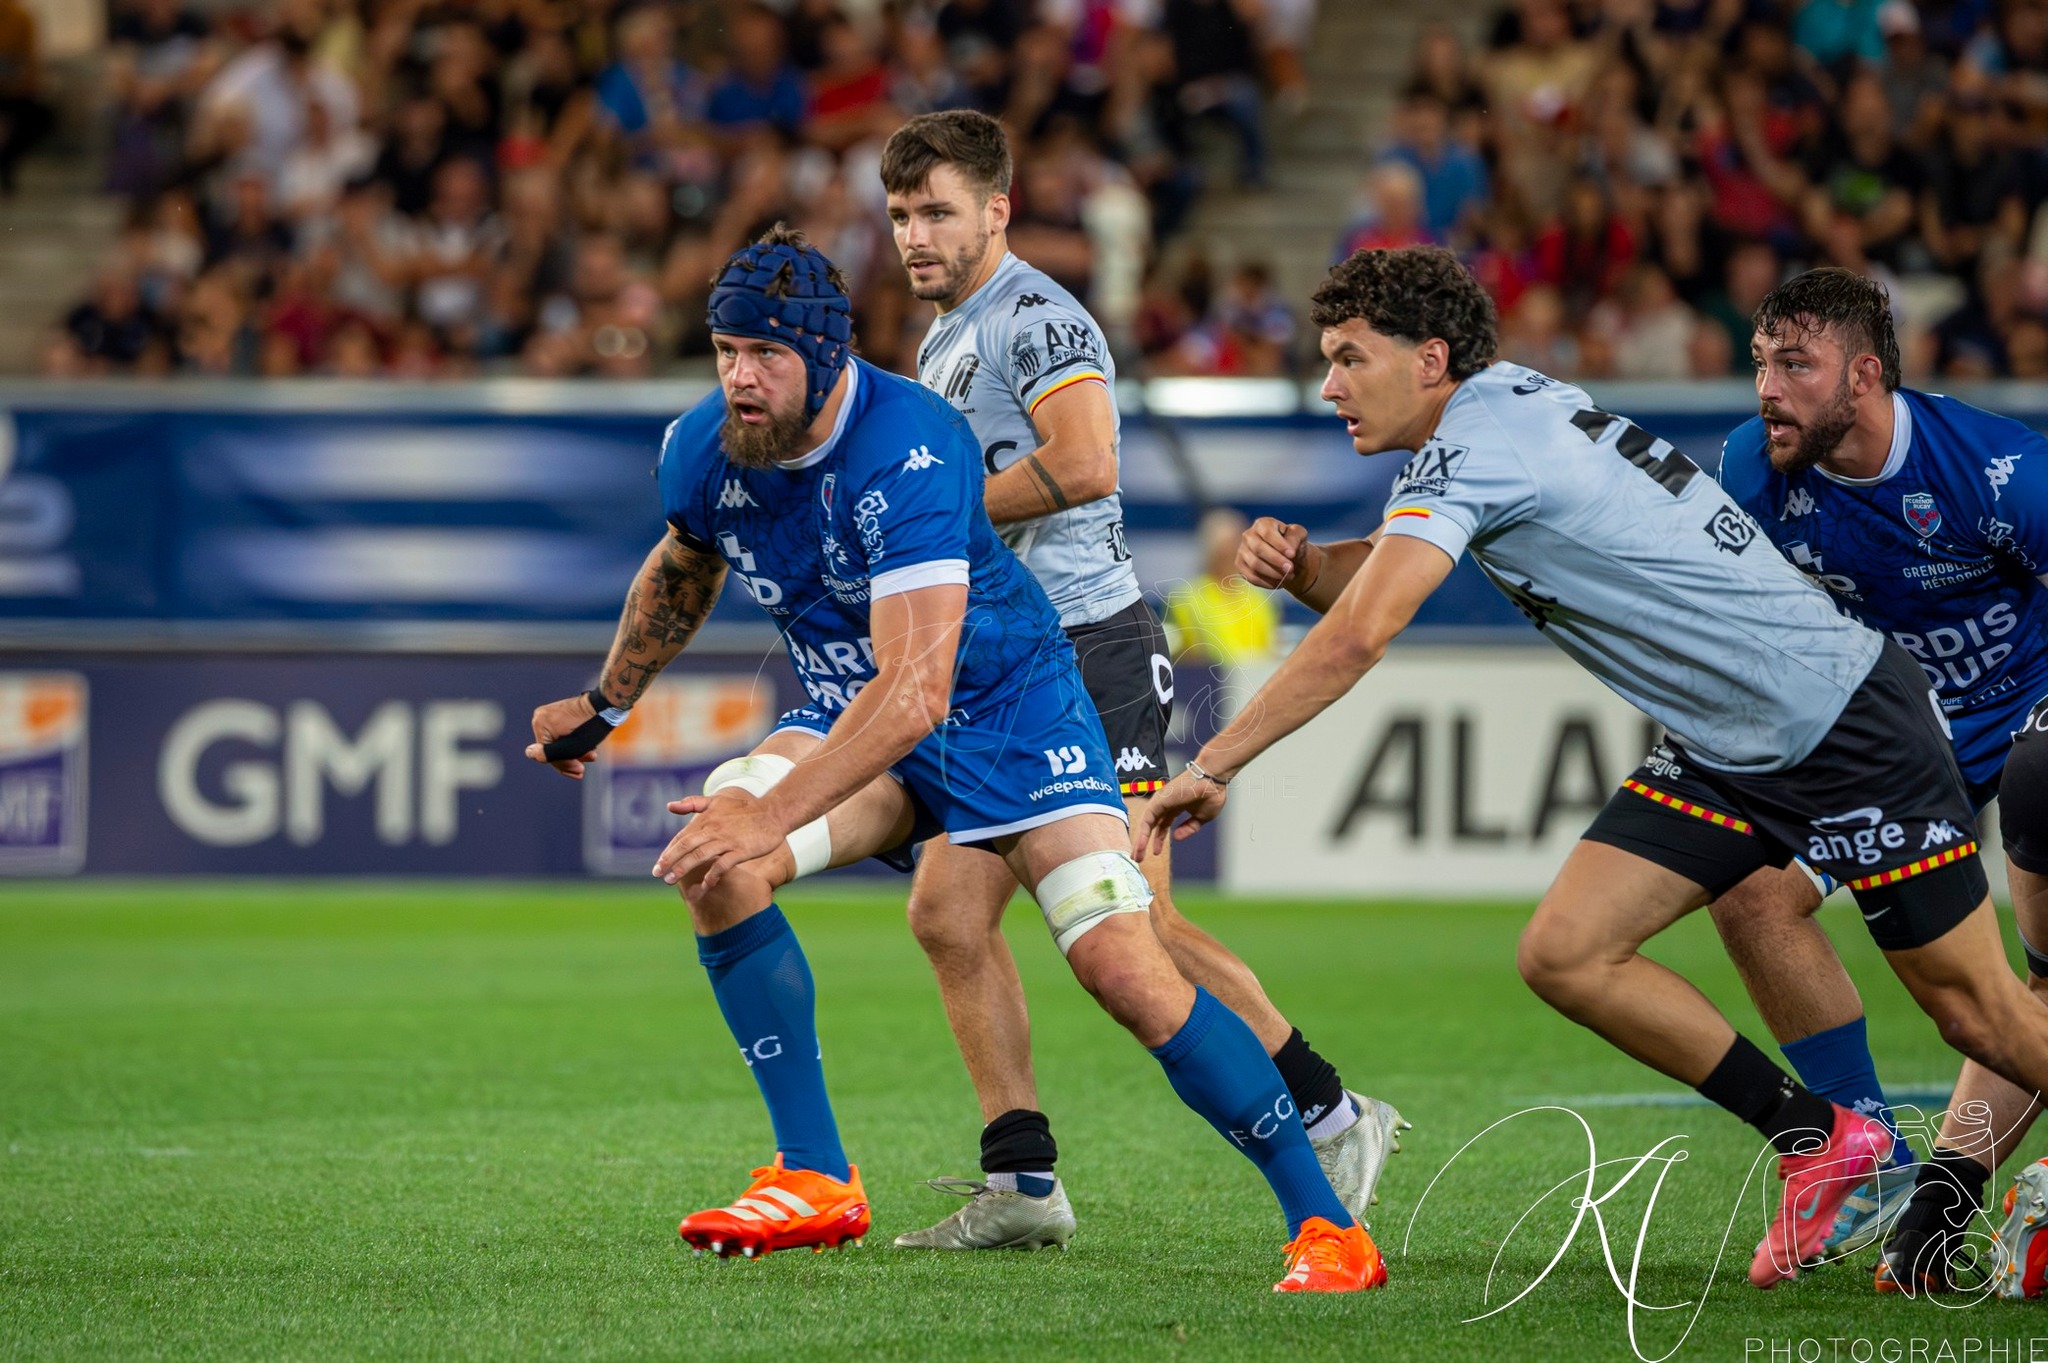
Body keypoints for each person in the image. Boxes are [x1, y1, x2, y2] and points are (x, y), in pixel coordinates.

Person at [1139, 244, 2048, 1290]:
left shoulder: (1480, 442)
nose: (1329, 385)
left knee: (1976, 1013)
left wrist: (1215, 760)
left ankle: (1868, 1154)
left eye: (1349, 358)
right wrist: (1305, 565)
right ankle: (1825, 1142)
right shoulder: (1500, 410)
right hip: (1727, 744)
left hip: (1839, 724)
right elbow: (1374, 578)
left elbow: (1360, 634)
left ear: (1429, 359)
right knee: (1567, 951)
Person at [525, 226, 1383, 1294]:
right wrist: (606, 703)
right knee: (720, 857)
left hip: (1008, 708)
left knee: (1121, 961)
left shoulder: (910, 446)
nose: (740, 377)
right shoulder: (703, 445)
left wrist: (771, 810)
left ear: (825, 356)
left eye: (766, 355)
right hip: (863, 709)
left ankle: (1325, 1227)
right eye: (726, 350)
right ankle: (815, 1174)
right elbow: (685, 562)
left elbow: (918, 692)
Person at [876, 109, 1403, 1252]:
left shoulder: (1034, 316)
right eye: (901, 214)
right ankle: (1021, 1181)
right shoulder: (944, 338)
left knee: (1136, 922)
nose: (914, 234)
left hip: (1087, 649)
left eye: (937, 212)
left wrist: (936, 514)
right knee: (947, 912)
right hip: (1008, 665)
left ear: (996, 211)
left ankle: (1330, 1112)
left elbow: (1084, 462)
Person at [1708, 267, 2048, 1294]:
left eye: (1793, 364)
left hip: (2032, 708)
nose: (1766, 388)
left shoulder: (1998, 471)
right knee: (1748, 888)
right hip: (1900, 731)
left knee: (2032, 963)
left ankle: (1947, 1197)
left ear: (1863, 375)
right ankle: (1872, 1157)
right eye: (1759, 362)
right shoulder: (1753, 469)